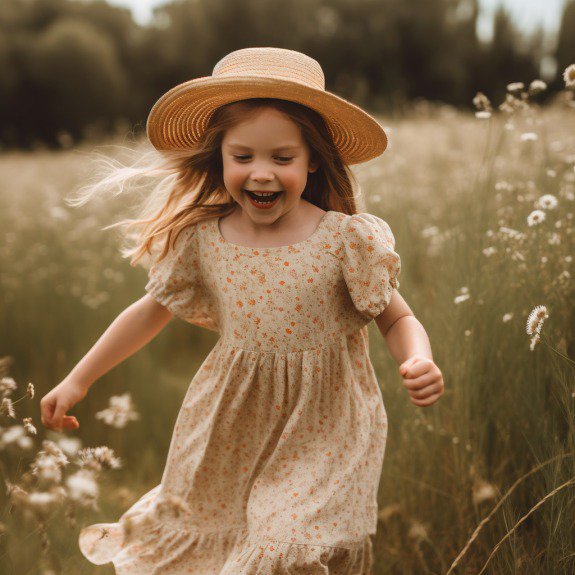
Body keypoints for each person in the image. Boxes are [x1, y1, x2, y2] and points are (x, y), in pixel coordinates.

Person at [40, 47, 444, 574]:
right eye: (243, 157)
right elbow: (148, 311)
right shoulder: (204, 241)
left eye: (282, 158)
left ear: (312, 160)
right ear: (221, 158)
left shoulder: (345, 239)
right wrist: (78, 379)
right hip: (228, 428)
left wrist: (418, 358)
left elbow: (397, 318)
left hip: (325, 428)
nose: (262, 174)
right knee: (217, 546)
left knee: (281, 547)